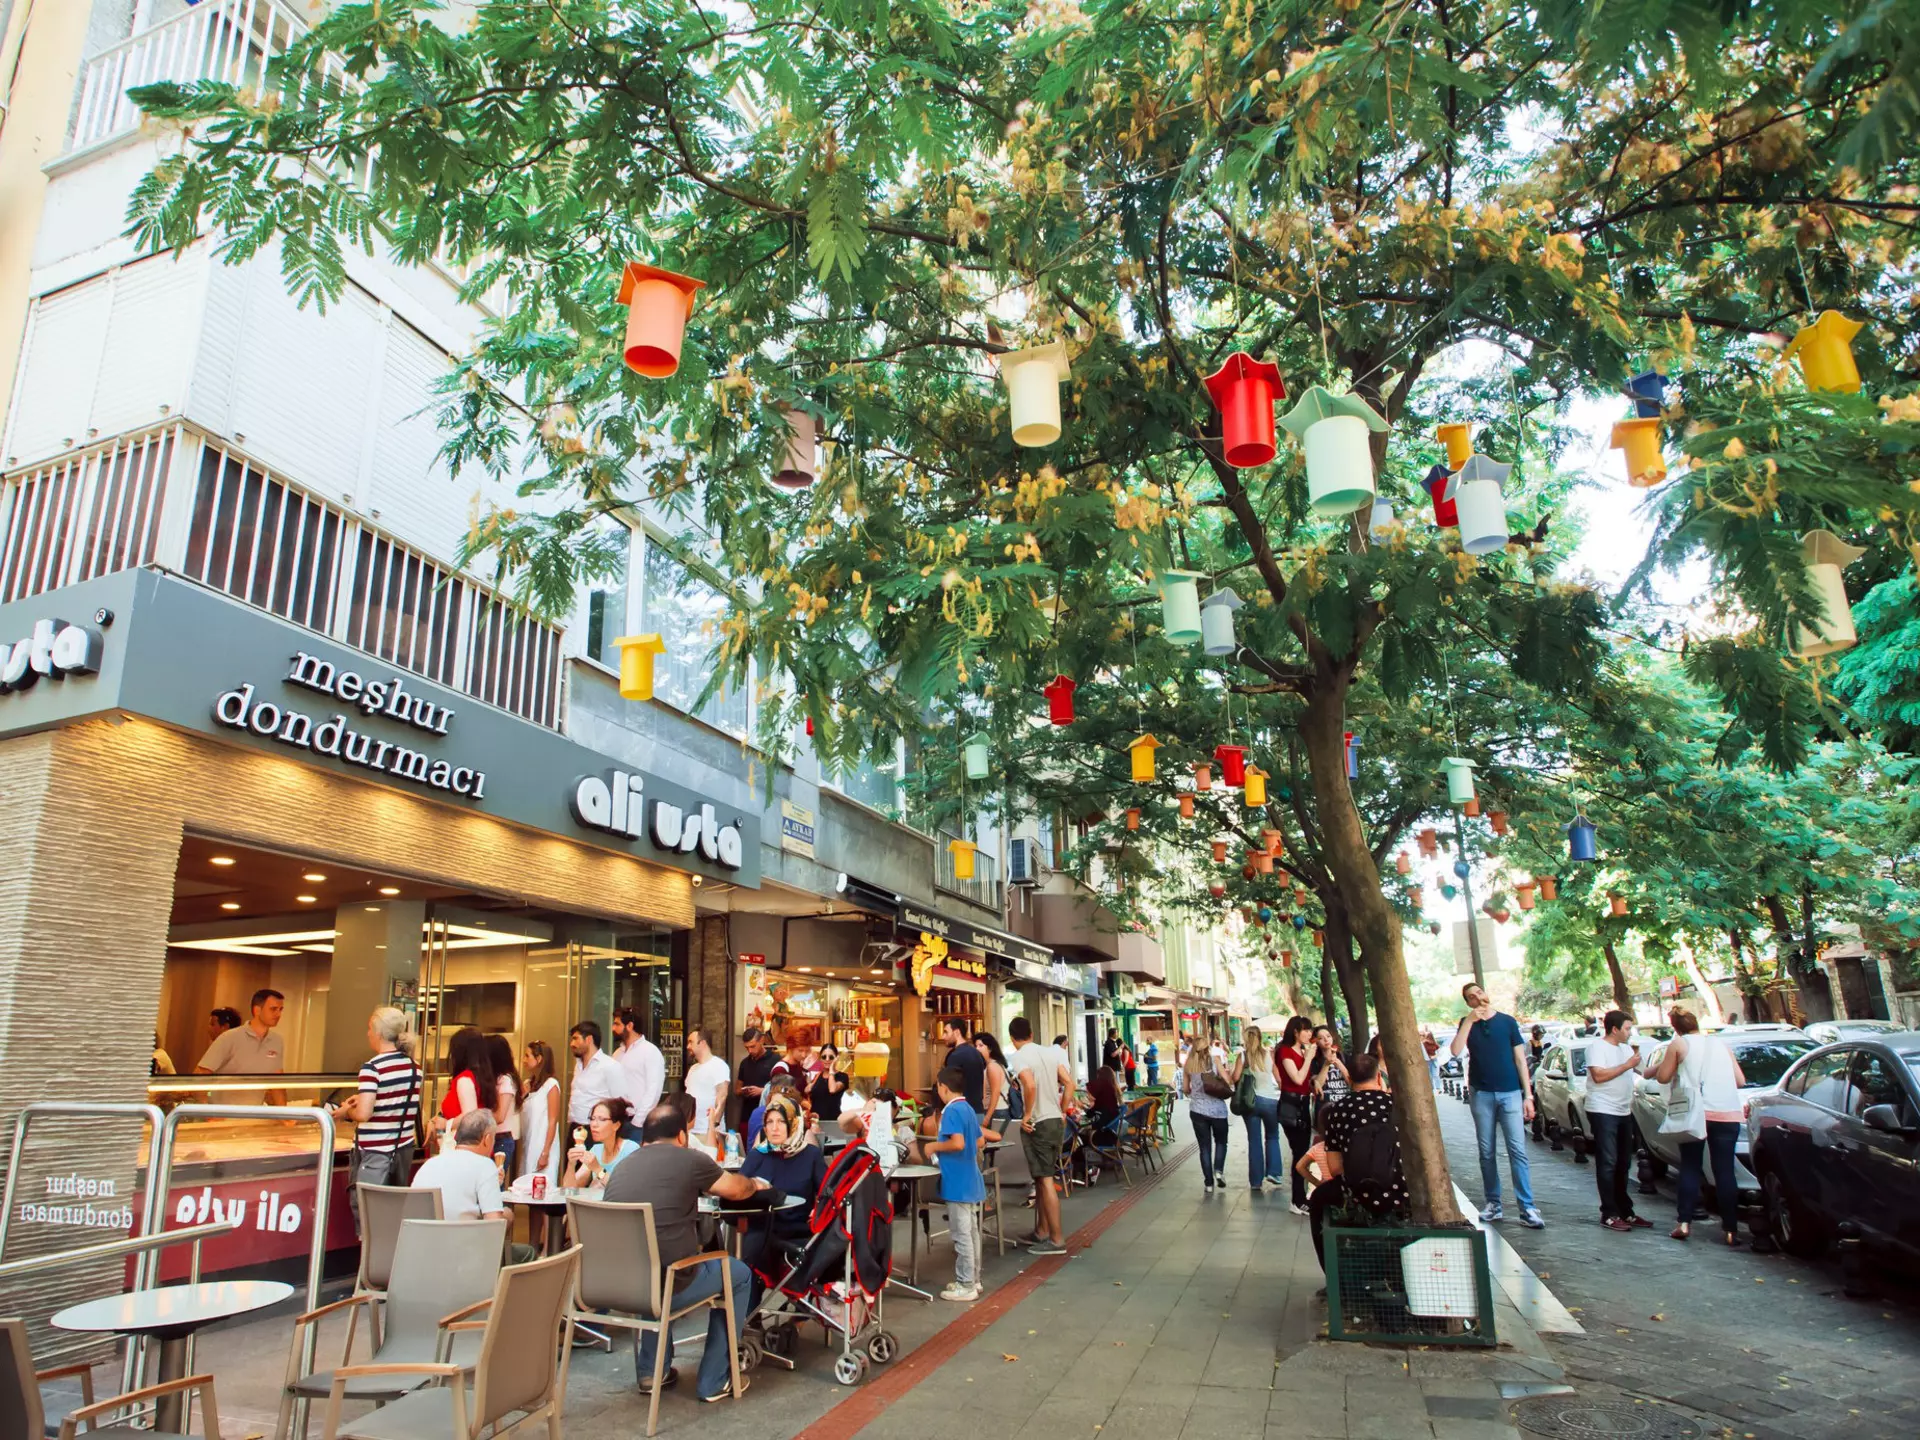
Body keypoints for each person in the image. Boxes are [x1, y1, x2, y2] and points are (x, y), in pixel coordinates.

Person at [603, 1102, 766, 1403]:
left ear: (645, 1137)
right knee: (739, 1275)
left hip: (620, 1285)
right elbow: (735, 1189)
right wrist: (754, 1183)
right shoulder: (689, 1159)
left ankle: (652, 1372)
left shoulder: (623, 1166)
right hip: (669, 1282)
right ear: (682, 1135)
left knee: (652, 1265)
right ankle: (715, 1380)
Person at [1646, 1008, 1746, 1245]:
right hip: (1726, 1112)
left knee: (1690, 1166)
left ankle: (1684, 1223)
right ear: (1697, 1023)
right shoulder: (1720, 1044)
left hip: (1695, 1114)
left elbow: (1662, 1077)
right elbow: (1740, 1080)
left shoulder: (1679, 1044)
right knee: (1724, 1170)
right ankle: (1731, 1230)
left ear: (1675, 1027)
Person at [1451, 983, 1544, 1228]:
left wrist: (1528, 1095)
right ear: (1468, 1003)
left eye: (1479, 992)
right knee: (1486, 1151)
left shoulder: (1507, 1022)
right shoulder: (1467, 1023)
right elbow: (1455, 1050)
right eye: (1471, 997)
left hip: (1511, 1092)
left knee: (1518, 1150)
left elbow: (1520, 1060)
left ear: (1486, 994)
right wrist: (1469, 1022)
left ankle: (1527, 1207)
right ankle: (1493, 1203)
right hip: (1481, 1094)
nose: (1477, 998)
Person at [1308, 1053, 1409, 1273]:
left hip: (1355, 1189)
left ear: (1349, 1079)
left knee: (1316, 1202)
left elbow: (1334, 1168)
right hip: (1400, 1190)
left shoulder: (1338, 1110)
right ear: (1379, 1078)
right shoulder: (1396, 1105)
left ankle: (1333, 1276)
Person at [333, 1006, 423, 1234]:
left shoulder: (371, 1068)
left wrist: (346, 1111)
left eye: (369, 1029)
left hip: (373, 1154)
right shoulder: (415, 1068)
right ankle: (389, 1262)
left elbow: (363, 1114)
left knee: (368, 1216)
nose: (368, 1034)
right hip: (402, 1150)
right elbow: (396, 1102)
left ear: (379, 1033)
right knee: (392, 1213)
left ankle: (369, 1265)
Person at [412, 1109, 535, 1261]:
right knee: (528, 1252)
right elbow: (494, 1226)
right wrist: (508, 1216)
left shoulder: (429, 1165)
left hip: (422, 1252)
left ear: (457, 1136)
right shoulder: (485, 1166)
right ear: (487, 1139)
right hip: (462, 1256)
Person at [739, 1093, 826, 1290]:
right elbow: (740, 1192)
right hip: (762, 1229)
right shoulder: (757, 1155)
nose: (774, 1127)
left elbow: (827, 1193)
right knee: (752, 1250)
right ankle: (749, 1316)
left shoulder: (810, 1155)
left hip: (800, 1228)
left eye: (781, 1121)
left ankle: (798, 1317)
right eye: (769, 1122)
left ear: (793, 1123)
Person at [1006, 1018, 1072, 1254]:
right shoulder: (1050, 1053)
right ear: (1032, 1033)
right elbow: (1069, 1084)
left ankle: (1056, 1239)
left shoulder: (1020, 1056)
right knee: (1042, 1178)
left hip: (1038, 1124)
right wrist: (1062, 1109)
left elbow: (1030, 1086)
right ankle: (1042, 1230)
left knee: (1045, 1180)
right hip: (1055, 1121)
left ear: (1013, 1038)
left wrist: (1026, 1114)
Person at [1584, 1010, 1649, 1233]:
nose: (1630, 1033)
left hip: (1623, 1110)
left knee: (1624, 1162)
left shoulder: (1626, 1049)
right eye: (1627, 1028)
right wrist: (1627, 1064)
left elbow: (1645, 1071)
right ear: (1615, 1029)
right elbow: (1599, 1076)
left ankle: (1626, 1211)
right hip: (1602, 1110)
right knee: (1608, 1161)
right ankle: (1608, 1213)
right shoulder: (1597, 1048)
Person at [928, 1065, 987, 1301]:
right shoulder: (968, 1109)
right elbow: (980, 1141)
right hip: (971, 1178)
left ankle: (966, 1284)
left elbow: (958, 1143)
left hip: (957, 1182)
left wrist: (934, 1146)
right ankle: (974, 1278)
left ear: (943, 1088)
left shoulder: (951, 1112)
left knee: (961, 1234)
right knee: (971, 1233)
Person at [195, 988, 287, 1103]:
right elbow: (200, 1075)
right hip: (223, 1115)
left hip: (252, 1115)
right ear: (257, 1010)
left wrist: (284, 1114)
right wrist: (208, 1111)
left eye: (281, 1009)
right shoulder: (229, 1037)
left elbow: (277, 1083)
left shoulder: (277, 1041)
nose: (278, 1014)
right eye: (273, 1009)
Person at [1181, 1028, 1238, 1195]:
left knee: (1204, 1147)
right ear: (1208, 1047)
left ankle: (1208, 1183)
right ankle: (1218, 1170)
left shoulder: (1188, 1065)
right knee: (1221, 1142)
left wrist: (1194, 1092)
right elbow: (1227, 1081)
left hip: (1197, 1111)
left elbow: (1185, 1088)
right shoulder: (1215, 1061)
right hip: (1218, 1111)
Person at [519, 1040, 562, 1251]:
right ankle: (532, 1244)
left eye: (528, 1056)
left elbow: (553, 1119)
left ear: (539, 1059)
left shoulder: (551, 1085)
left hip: (543, 1145)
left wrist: (546, 1151)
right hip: (529, 1146)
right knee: (531, 1198)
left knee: (545, 1197)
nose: (524, 1060)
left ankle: (547, 1247)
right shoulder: (529, 1084)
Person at [1275, 1017, 1316, 1214]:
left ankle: (1300, 1197)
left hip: (1303, 1103)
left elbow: (1306, 1079)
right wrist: (1308, 1058)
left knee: (1302, 1151)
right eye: (1306, 1030)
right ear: (1295, 1032)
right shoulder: (1284, 1051)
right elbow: (1297, 1078)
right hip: (1291, 1104)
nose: (1309, 1034)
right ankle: (1297, 1200)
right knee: (1299, 1152)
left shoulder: (1302, 1051)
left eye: (1310, 1030)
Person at [1238, 1025, 1281, 1193]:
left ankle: (1256, 1181)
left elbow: (1234, 1077)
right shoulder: (1269, 1054)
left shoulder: (1243, 1056)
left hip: (1251, 1102)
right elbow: (1278, 1078)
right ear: (1260, 1037)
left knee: (1254, 1140)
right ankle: (1274, 1173)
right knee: (1272, 1137)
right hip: (1270, 1101)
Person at [567, 1019, 631, 1129]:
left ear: (589, 1039)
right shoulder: (578, 1065)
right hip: (575, 1127)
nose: (572, 1044)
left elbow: (621, 1102)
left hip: (597, 1129)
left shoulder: (609, 1066)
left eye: (576, 1039)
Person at [435, 1026, 494, 1142]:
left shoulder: (464, 1079)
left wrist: (447, 1124)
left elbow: (469, 1116)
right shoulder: (481, 1077)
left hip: (464, 1143)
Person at [563, 1097, 638, 1187]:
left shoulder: (631, 1149)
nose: (594, 1124)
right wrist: (571, 1165)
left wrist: (598, 1169)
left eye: (602, 1119)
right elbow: (570, 1190)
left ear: (616, 1125)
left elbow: (624, 1190)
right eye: (592, 1119)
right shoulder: (595, 1150)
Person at [612, 1007, 667, 1120]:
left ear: (630, 1026)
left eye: (617, 1024)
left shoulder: (650, 1052)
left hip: (637, 1120)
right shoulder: (617, 1053)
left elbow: (653, 1090)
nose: (613, 1028)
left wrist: (638, 1121)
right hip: (616, 1119)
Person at [684, 1028, 732, 1142]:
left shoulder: (719, 1065)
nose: (687, 1046)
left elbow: (722, 1096)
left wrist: (714, 1126)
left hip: (707, 1131)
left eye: (691, 1042)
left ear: (703, 1043)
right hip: (691, 1130)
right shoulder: (693, 1069)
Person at [485, 1034, 519, 1174]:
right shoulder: (496, 1079)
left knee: (494, 1182)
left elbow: (500, 1116)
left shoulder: (505, 1080)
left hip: (501, 1140)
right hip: (494, 1138)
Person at [941, 1017, 988, 1117]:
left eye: (946, 1032)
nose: (943, 1036)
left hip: (961, 1112)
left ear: (957, 1032)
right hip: (978, 1110)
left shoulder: (955, 1056)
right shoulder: (976, 1053)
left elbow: (950, 1088)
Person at [733, 1028, 777, 1132]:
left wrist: (762, 1091)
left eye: (753, 1046)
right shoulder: (744, 1063)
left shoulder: (775, 1060)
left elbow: (781, 1090)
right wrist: (744, 1091)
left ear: (761, 1040)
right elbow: (737, 1089)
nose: (750, 1051)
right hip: (747, 1115)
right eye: (747, 1048)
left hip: (768, 1115)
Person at [1311, 1025, 1352, 1121]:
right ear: (1316, 1042)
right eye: (1321, 1038)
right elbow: (1318, 1086)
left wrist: (1338, 1063)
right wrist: (1326, 1064)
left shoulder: (1345, 1057)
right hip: (1325, 1108)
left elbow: (1352, 1083)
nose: (1326, 1040)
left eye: (1328, 1036)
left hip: (1345, 1105)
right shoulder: (1315, 1062)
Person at [973, 1031, 1010, 1130]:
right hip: (997, 1111)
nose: (977, 1049)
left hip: (996, 1112)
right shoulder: (996, 1064)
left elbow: (995, 1092)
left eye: (981, 1045)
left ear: (990, 1048)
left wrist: (987, 1117)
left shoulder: (992, 1066)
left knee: (992, 1144)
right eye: (976, 1046)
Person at [810, 1051, 850, 1123]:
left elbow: (832, 1089)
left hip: (833, 1120)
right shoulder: (817, 1076)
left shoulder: (842, 1076)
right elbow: (807, 1091)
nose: (827, 1059)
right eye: (824, 1057)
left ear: (836, 1058)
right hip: (815, 1120)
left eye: (831, 1057)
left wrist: (831, 1070)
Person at [1527, 1025, 1550, 1140]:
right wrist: (1532, 1058)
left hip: (1538, 1068)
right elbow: (1527, 1056)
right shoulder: (1529, 1043)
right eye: (1540, 1034)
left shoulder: (1541, 1043)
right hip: (1532, 1069)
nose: (1541, 1036)